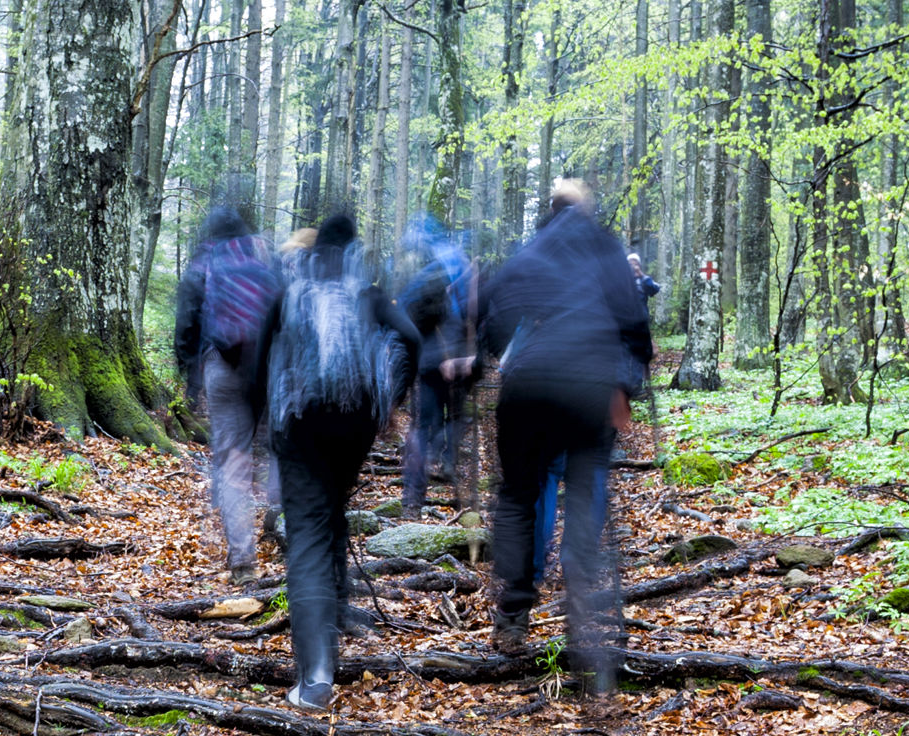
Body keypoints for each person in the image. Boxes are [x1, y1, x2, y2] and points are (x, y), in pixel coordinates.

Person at [448, 179, 652, 690]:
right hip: (591, 385)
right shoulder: (605, 249)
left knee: (517, 496)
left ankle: (513, 617)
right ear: (585, 210)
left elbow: (492, 312)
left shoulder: (532, 250)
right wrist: (626, 384)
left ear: (551, 210)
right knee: (584, 490)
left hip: (531, 382)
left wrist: (477, 365)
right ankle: (583, 611)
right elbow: (635, 324)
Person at [263, 212, 422, 709]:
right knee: (331, 516)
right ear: (354, 250)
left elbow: (258, 363)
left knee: (309, 530)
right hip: (354, 423)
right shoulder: (368, 294)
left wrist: (261, 425)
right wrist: (389, 396)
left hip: (300, 422)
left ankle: (315, 676)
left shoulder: (292, 294)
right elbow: (412, 341)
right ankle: (335, 618)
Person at [170, 205, 284, 586]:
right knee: (269, 449)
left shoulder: (206, 261)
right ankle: (277, 520)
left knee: (233, 460)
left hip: (223, 366)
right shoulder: (263, 262)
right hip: (265, 370)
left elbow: (187, 318)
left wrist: (191, 368)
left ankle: (243, 562)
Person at [394, 215, 479, 513]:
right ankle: (450, 476)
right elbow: (476, 317)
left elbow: (404, 315)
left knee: (423, 427)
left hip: (430, 358)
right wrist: (470, 356)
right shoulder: (463, 268)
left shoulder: (423, 271)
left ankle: (412, 500)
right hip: (457, 359)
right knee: (455, 420)